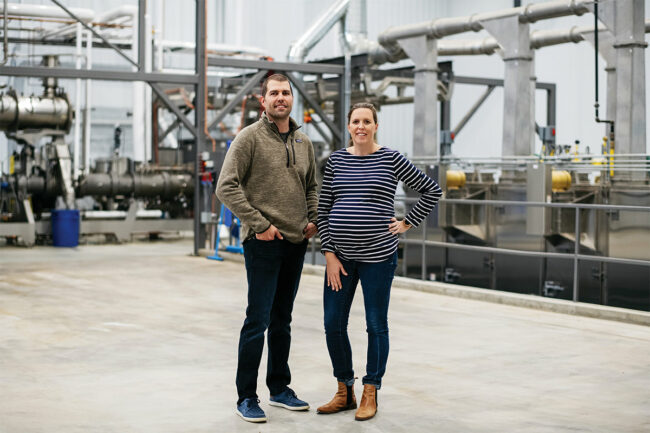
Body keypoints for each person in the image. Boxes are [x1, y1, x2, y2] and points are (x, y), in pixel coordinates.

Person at [316, 102, 442, 421]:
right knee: (333, 323)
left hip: (379, 257)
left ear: (375, 126)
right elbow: (324, 209)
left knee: (375, 325)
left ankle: (371, 390)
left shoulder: (391, 158)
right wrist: (328, 254)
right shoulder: (336, 161)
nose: (361, 126)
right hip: (340, 259)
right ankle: (345, 390)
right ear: (348, 126)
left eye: (367, 121)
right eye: (356, 121)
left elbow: (431, 190)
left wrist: (407, 222)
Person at [216, 73, 319, 423]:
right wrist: (260, 226)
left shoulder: (304, 142)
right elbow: (226, 187)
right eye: (273, 93)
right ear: (263, 101)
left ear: (292, 99)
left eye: (286, 93)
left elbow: (312, 187)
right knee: (257, 319)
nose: (280, 98)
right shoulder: (249, 138)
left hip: (295, 242)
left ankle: (279, 388)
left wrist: (313, 219)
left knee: (282, 320)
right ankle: (246, 396)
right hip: (262, 242)